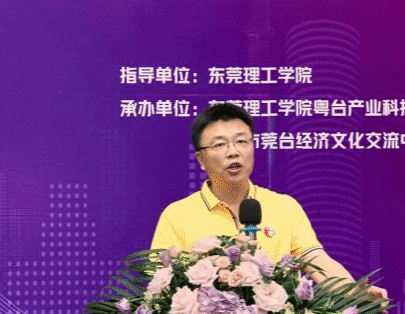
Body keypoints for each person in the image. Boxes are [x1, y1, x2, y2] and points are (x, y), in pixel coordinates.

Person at [151, 101, 388, 303]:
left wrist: (354, 293)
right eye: (220, 144)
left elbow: (316, 259)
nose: (233, 152)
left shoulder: (284, 207)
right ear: (201, 159)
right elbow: (160, 285)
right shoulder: (177, 215)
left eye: (242, 141)